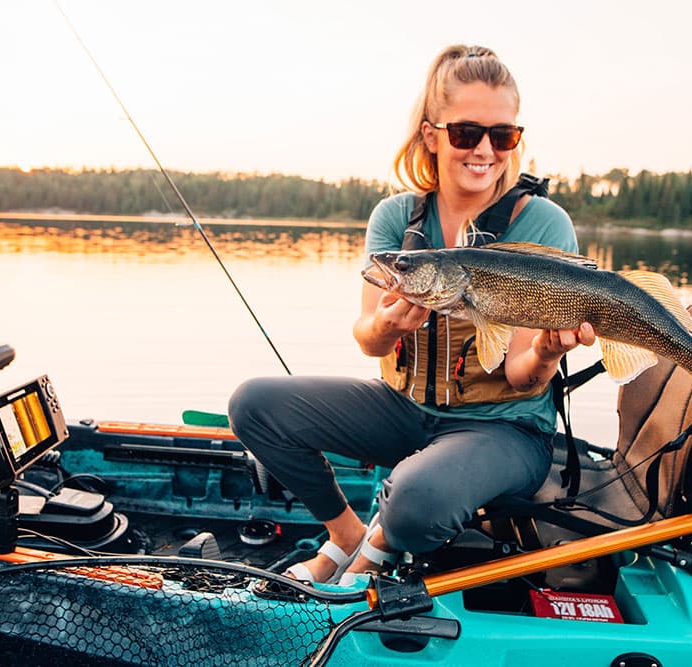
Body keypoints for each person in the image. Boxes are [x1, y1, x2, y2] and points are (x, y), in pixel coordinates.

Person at [228, 44, 594, 585]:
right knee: (254, 404)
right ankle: (348, 536)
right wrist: (385, 326)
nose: (485, 151)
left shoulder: (542, 223)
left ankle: (380, 541)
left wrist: (546, 349)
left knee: (417, 497)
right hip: (406, 410)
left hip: (507, 430)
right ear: (432, 135)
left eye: (503, 135)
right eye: (467, 133)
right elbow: (368, 339)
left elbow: (522, 374)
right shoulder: (397, 218)